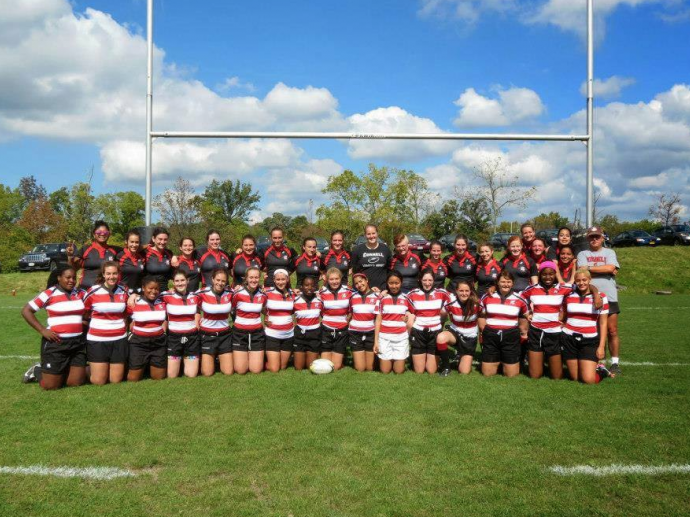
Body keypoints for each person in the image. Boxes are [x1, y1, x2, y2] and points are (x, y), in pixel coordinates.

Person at [21, 265, 87, 389]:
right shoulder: (49, 293)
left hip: (77, 343)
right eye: (68, 277)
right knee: (51, 386)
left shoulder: (80, 293)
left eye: (74, 278)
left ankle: (60, 371)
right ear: (59, 278)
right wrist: (42, 330)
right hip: (56, 343)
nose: (72, 281)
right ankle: (37, 370)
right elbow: (26, 311)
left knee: (75, 383)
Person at [577, 226, 621, 376]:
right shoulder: (583, 253)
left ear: (603, 238)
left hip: (609, 295)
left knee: (612, 330)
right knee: (594, 331)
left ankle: (615, 363)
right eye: (591, 237)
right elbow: (582, 271)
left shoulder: (610, 252)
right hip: (590, 297)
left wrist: (590, 267)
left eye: (597, 236)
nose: (594, 239)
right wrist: (604, 268)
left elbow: (611, 268)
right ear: (588, 238)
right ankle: (597, 362)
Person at [520, 261, 572, 380]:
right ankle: (539, 364)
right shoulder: (532, 289)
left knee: (557, 377)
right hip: (536, 331)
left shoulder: (563, 288)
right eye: (544, 274)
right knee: (535, 376)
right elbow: (519, 299)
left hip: (554, 332)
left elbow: (583, 286)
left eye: (551, 274)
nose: (548, 277)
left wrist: (595, 293)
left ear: (555, 274)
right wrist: (527, 313)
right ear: (540, 275)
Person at [83, 262, 129, 385]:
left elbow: (126, 312)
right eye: (108, 273)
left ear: (118, 274)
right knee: (99, 381)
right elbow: (85, 312)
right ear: (103, 274)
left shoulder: (124, 291)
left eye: (114, 273)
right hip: (98, 339)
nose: (111, 276)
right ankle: (82, 370)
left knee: (115, 380)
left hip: (119, 339)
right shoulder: (93, 291)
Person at [562, 268, 610, 384]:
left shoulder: (601, 297)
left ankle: (601, 370)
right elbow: (562, 316)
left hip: (589, 340)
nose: (581, 283)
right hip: (569, 338)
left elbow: (603, 323)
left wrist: (601, 346)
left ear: (589, 280)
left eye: (584, 280)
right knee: (575, 378)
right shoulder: (568, 295)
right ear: (575, 281)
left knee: (588, 380)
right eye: (578, 280)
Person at [478, 270, 529, 377]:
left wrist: (523, 334)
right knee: (487, 374)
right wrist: (484, 332)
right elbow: (481, 315)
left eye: (508, 282)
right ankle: (498, 361)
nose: (506, 284)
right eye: (503, 282)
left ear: (513, 283)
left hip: (510, 335)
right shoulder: (487, 296)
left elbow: (525, 317)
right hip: (491, 335)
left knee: (511, 375)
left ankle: (505, 361)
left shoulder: (520, 299)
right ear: (497, 282)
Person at [407, 269, 450, 374]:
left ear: (434, 280)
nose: (427, 283)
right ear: (420, 280)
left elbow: (459, 296)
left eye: (430, 280)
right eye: (424, 280)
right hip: (418, 332)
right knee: (419, 371)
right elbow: (400, 302)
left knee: (431, 371)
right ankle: (415, 357)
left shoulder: (442, 293)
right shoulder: (412, 294)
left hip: (435, 332)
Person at [126, 276, 167, 382]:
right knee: (133, 379)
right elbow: (126, 320)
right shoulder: (134, 302)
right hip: (139, 342)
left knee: (158, 377)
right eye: (150, 288)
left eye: (156, 289)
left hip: (158, 342)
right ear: (143, 288)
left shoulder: (162, 301)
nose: (154, 291)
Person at [162, 270, 201, 378]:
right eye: (177, 281)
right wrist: (134, 296)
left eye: (182, 280)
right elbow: (149, 294)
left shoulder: (195, 296)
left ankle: (186, 360)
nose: (180, 283)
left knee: (191, 374)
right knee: (172, 375)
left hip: (192, 337)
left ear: (187, 281)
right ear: (173, 282)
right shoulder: (165, 296)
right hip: (174, 337)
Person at [436, 280, 480, 376]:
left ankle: (460, 355)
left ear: (470, 291)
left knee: (464, 372)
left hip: (470, 338)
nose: (464, 293)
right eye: (461, 291)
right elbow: (442, 314)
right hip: (455, 333)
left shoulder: (477, 304)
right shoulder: (451, 302)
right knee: (441, 337)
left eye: (466, 291)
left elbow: (485, 315)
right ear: (456, 291)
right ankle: (446, 367)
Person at [374, 271, 413, 374]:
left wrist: (407, 315)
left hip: (401, 338)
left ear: (401, 282)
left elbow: (413, 313)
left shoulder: (406, 298)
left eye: (397, 283)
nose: (394, 286)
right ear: (387, 283)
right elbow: (378, 320)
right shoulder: (381, 299)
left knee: (399, 371)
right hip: (384, 338)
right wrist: (376, 341)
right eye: (391, 283)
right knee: (385, 371)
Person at [197, 267, 233, 377]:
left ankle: (217, 358)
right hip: (207, 335)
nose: (220, 283)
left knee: (228, 372)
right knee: (207, 373)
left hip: (225, 335)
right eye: (218, 280)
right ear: (212, 279)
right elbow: (190, 303)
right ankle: (205, 360)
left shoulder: (231, 293)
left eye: (223, 281)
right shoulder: (202, 293)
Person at [232, 266, 268, 374]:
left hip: (257, 333)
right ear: (246, 278)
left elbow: (265, 310)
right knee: (241, 370)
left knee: (256, 370)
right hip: (239, 333)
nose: (254, 280)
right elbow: (230, 309)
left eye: (256, 277)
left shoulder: (263, 294)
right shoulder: (237, 293)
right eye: (251, 277)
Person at [67, 220, 121, 290]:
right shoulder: (85, 249)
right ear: (94, 234)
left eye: (105, 232)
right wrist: (70, 256)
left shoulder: (115, 250)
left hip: (106, 291)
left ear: (109, 234)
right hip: (85, 290)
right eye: (99, 232)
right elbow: (73, 269)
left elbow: (132, 249)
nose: (102, 234)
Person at [319, 267, 354, 370]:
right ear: (327, 280)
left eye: (336, 279)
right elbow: (320, 310)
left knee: (336, 366)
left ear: (340, 278)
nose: (334, 282)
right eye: (331, 279)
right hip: (326, 328)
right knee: (326, 364)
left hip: (342, 328)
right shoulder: (321, 292)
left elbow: (354, 306)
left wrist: (348, 317)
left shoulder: (348, 291)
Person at [263, 269, 296, 372]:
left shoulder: (293, 293)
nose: (280, 282)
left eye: (283, 279)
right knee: (274, 368)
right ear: (274, 280)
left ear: (287, 279)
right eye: (278, 279)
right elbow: (258, 305)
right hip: (272, 334)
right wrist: (266, 315)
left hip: (288, 334)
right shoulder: (266, 292)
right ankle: (260, 362)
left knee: (282, 367)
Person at [348, 273, 379, 372]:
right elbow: (349, 313)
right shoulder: (352, 296)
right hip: (355, 333)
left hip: (370, 333)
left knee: (369, 368)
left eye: (361, 281)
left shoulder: (378, 296)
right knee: (360, 368)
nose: (359, 285)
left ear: (366, 280)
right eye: (356, 283)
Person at [293, 276, 323, 370]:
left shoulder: (320, 299)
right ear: (301, 287)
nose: (309, 288)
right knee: (299, 368)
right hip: (300, 334)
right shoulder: (295, 299)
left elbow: (325, 315)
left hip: (314, 334)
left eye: (312, 285)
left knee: (310, 366)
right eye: (306, 285)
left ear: (316, 287)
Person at [351, 224, 392, 291]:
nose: (371, 236)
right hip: (365, 291)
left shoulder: (385, 249)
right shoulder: (358, 250)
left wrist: (387, 289)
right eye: (368, 234)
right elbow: (355, 273)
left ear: (377, 234)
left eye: (373, 233)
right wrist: (364, 289)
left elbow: (390, 270)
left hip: (382, 290)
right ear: (365, 235)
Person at [144, 227, 174, 291]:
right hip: (149, 292)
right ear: (153, 239)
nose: (162, 242)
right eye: (160, 239)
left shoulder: (169, 253)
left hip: (164, 291)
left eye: (165, 239)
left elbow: (172, 273)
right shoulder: (145, 252)